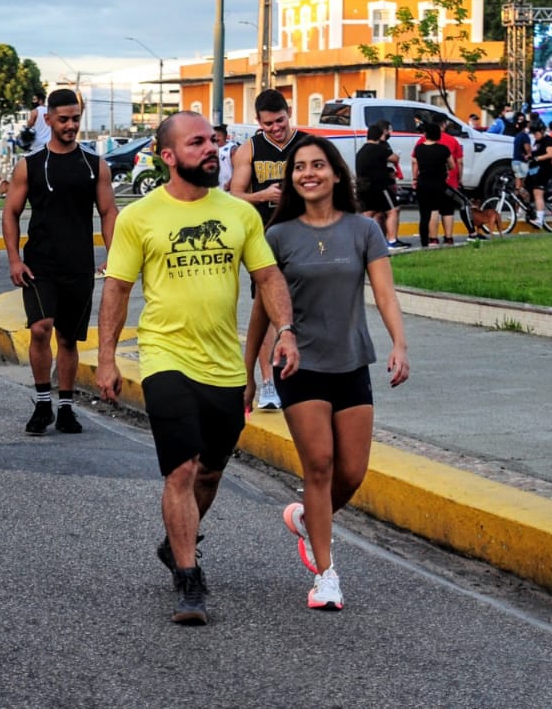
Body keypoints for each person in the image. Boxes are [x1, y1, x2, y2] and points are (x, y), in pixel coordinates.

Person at [95, 111, 298, 625]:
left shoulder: (239, 213)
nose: (212, 148)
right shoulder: (139, 217)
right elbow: (117, 289)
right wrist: (106, 357)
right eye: (197, 143)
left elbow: (269, 277)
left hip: (225, 366)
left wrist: (287, 332)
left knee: (210, 470)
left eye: (212, 140)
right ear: (168, 156)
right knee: (181, 468)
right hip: (165, 357)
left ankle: (174, 541)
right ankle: (189, 578)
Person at [244, 135, 409, 610]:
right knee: (318, 466)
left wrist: (400, 344)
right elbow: (260, 311)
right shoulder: (277, 236)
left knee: (351, 473)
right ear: (290, 178)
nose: (309, 173)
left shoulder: (363, 230)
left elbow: (385, 294)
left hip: (352, 363)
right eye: (299, 167)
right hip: (300, 366)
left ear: (337, 174)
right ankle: (326, 575)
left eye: (319, 165)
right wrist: (250, 372)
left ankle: (305, 519)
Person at [2, 89, 118, 435]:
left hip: (78, 264)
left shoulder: (94, 165)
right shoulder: (31, 165)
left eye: (75, 119)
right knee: (40, 328)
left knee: (68, 338)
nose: (70, 126)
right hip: (40, 264)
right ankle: (42, 403)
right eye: (64, 119)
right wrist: (13, 259)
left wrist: (115, 258)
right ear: (48, 119)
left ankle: (65, 407)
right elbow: (10, 212)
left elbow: (109, 211)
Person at [230, 89, 309, 411]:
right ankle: (268, 383)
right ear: (257, 122)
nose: (275, 129)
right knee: (264, 312)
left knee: (303, 310)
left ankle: (303, 377)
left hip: (305, 236)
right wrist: (261, 196)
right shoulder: (249, 149)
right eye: (268, 124)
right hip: (264, 240)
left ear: (289, 113)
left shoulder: (307, 145)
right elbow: (234, 193)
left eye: (280, 121)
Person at [355, 121, 406, 249]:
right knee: (393, 210)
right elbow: (394, 159)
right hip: (379, 186)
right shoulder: (379, 148)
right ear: (380, 136)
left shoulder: (361, 151)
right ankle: (392, 241)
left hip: (363, 187)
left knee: (368, 214)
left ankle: (364, 242)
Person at [411, 122, 454, 246]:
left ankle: (430, 239)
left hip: (423, 183)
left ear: (426, 134)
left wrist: (414, 179)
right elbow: (452, 165)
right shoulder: (443, 149)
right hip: (439, 183)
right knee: (445, 209)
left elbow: (415, 164)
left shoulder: (418, 148)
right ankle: (448, 238)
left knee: (427, 212)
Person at [526, 121, 552, 228]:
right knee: (529, 190)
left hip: (544, 169)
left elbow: (550, 154)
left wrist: (537, 158)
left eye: (536, 133)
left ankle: (539, 220)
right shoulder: (536, 142)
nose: (535, 135)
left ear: (542, 131)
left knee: (537, 193)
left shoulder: (548, 140)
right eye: (533, 134)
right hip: (535, 170)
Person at [213, 124, 238, 191]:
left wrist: (230, 182)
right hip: (215, 188)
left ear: (225, 137)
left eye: (218, 136)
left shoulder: (232, 149)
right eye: (214, 136)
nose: (216, 138)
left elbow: (238, 169)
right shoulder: (210, 148)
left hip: (227, 188)